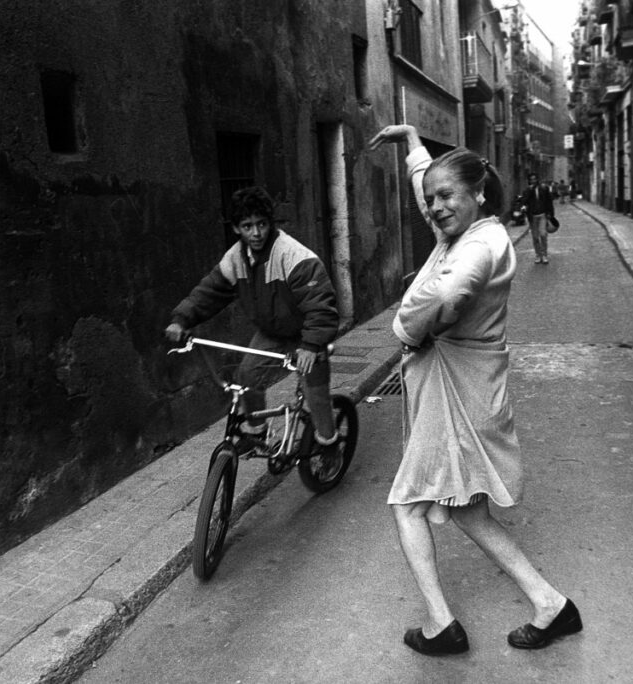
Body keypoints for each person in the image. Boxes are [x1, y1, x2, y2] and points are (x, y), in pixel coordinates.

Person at [367, 124, 582, 656]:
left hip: (461, 394)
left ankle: (441, 625)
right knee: (466, 511)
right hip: (457, 392)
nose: (435, 207)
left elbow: (454, 290)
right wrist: (415, 142)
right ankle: (552, 605)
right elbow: (429, 189)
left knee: (408, 505)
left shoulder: (481, 244)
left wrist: (404, 329)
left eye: (446, 197)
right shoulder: (454, 231)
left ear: (477, 194)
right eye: (430, 199)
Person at [165, 186, 342, 467]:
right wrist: (181, 319)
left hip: (307, 334)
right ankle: (257, 433)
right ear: (236, 228)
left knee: (315, 393)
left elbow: (319, 303)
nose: (256, 233)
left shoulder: (292, 255)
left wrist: (311, 345)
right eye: (247, 226)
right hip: (271, 333)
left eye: (261, 224)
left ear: (270, 223)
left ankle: (329, 444)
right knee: (246, 377)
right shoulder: (235, 258)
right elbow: (210, 292)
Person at [520, 172, 557, 264]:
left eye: (534, 179)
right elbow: (524, 201)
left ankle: (544, 255)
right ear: (529, 181)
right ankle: (538, 255)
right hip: (532, 217)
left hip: (542, 216)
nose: (533, 181)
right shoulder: (527, 190)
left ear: (537, 180)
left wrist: (551, 214)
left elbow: (549, 202)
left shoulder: (544, 189)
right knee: (535, 237)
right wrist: (529, 191)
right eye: (531, 179)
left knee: (543, 234)